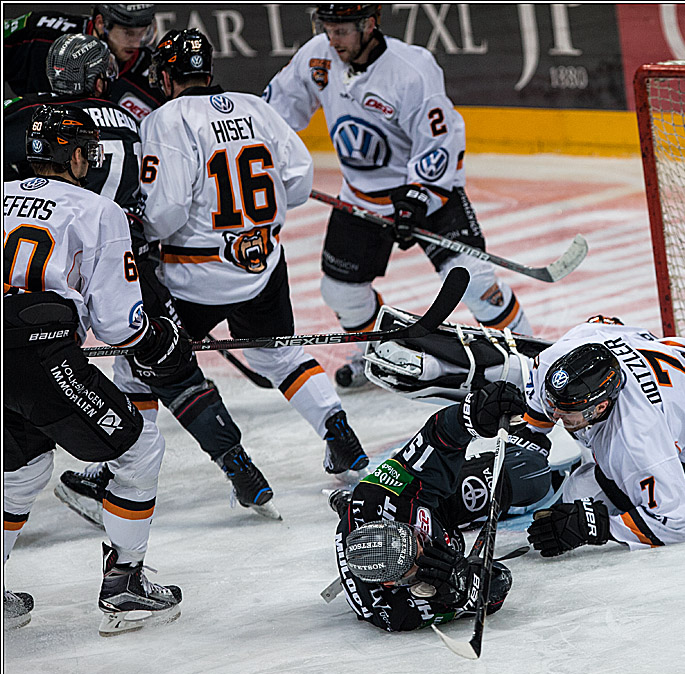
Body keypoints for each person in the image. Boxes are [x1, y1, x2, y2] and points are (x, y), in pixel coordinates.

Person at [6, 33, 284, 523]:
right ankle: (235, 462)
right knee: (166, 362)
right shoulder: (135, 120)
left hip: (36, 279)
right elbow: (153, 197)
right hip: (121, 254)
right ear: (101, 77)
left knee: (31, 378)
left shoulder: (22, 118)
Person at [361, 315, 685, 555]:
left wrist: (593, 528)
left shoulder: (641, 444)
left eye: (566, 414)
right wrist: (528, 429)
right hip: (684, 362)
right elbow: (601, 327)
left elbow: (676, 523)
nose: (556, 418)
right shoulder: (566, 357)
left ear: (601, 405)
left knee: (575, 496)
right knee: (530, 473)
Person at [138, 29, 369, 486]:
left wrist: (136, 228)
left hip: (194, 275)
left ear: (167, 76)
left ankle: (122, 473)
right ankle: (338, 433)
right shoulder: (255, 107)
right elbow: (300, 182)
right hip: (263, 265)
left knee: (139, 363)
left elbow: (165, 212)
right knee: (278, 356)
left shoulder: (167, 120)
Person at [262, 4, 534, 390]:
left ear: (369, 25)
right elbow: (276, 114)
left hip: (426, 193)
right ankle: (376, 352)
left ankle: (530, 358)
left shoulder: (412, 69)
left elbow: (441, 139)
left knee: (475, 282)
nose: (332, 39)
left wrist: (417, 197)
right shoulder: (316, 57)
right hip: (361, 198)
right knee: (340, 291)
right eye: (327, 29)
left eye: (341, 31)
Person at [4, 104, 190, 634]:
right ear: (79, 156)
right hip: (37, 356)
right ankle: (125, 585)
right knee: (139, 448)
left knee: (20, 471)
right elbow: (117, 325)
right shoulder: (96, 209)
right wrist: (158, 338)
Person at [331, 379, 541, 632]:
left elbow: (429, 445)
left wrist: (472, 414)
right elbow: (497, 586)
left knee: (528, 474)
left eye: (415, 536)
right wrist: (464, 587)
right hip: (422, 556)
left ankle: (346, 504)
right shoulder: (398, 612)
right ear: (393, 583)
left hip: (433, 507)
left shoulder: (378, 496)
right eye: (414, 560)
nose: (425, 545)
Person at [4, 4, 165, 121]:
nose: (136, 43)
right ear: (101, 23)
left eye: (142, 33)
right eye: (128, 33)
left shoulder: (155, 75)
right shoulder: (41, 33)